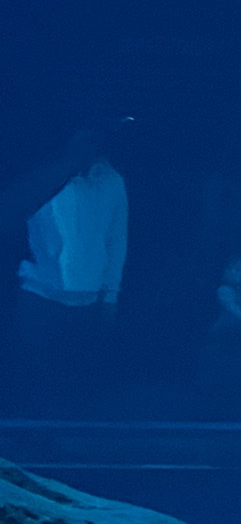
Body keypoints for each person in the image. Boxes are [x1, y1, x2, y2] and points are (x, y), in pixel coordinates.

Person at [11, 125, 128, 413]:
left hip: (86, 297)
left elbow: (116, 239)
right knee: (36, 374)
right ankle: (36, 435)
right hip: (39, 291)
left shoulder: (112, 181)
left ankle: (68, 434)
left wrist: (110, 294)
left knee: (74, 376)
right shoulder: (46, 179)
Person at [198, 253, 241, 414]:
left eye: (238, 269)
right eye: (230, 268)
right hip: (220, 348)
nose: (232, 272)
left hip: (240, 350)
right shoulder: (224, 291)